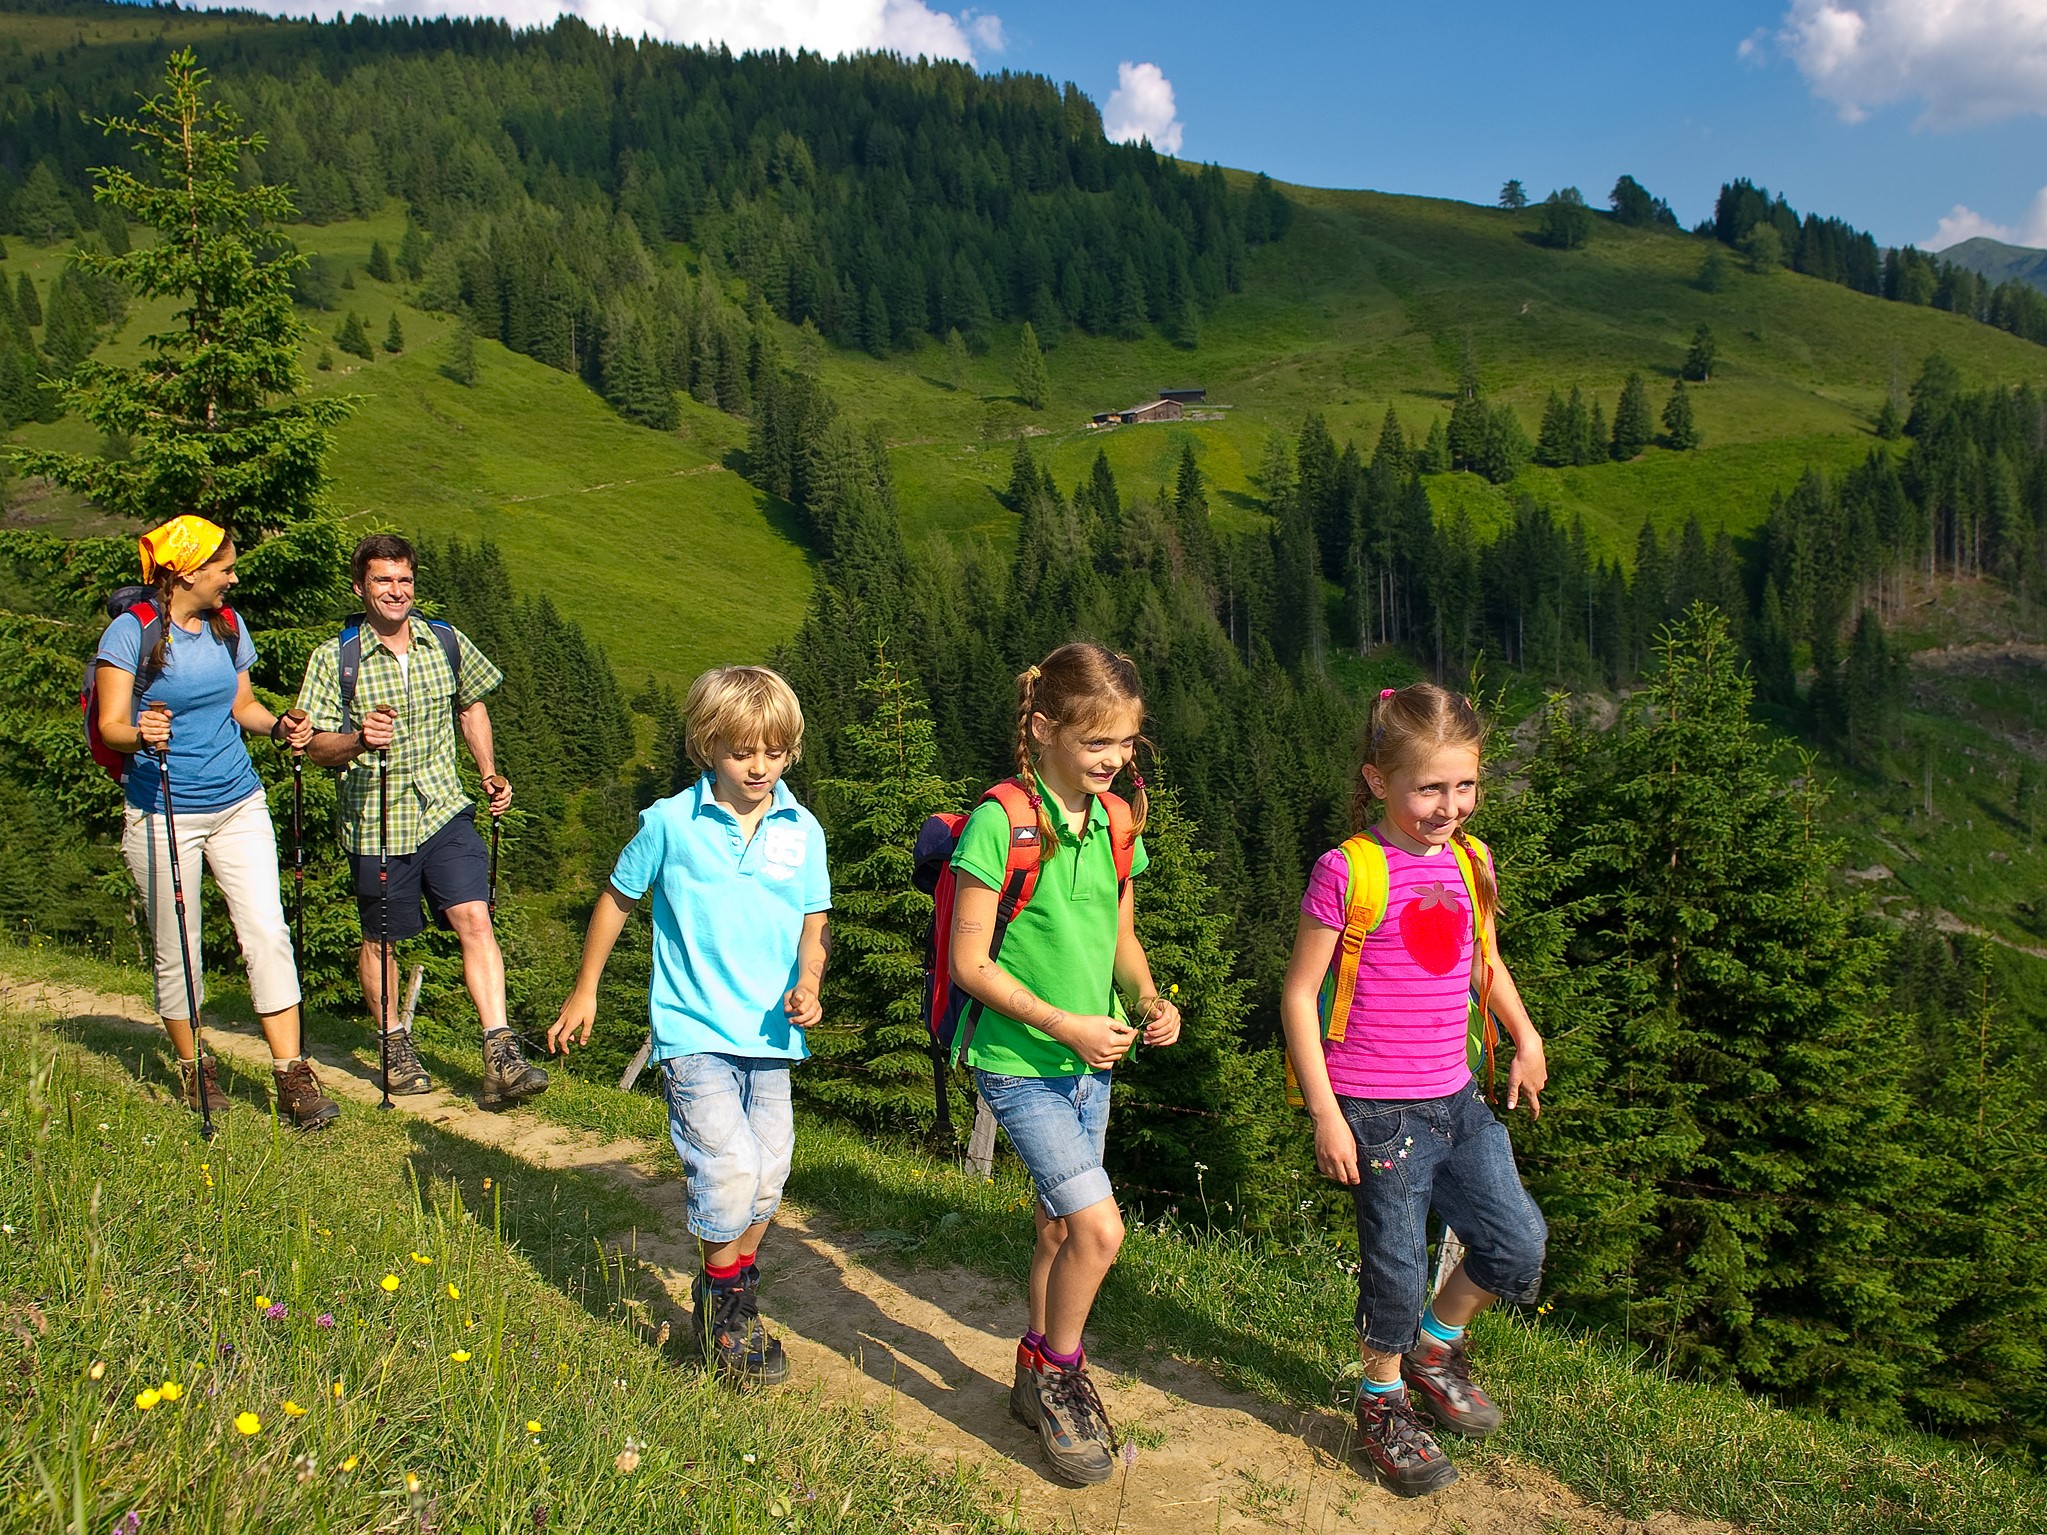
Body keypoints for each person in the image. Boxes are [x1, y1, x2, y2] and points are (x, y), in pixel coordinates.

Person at [1278, 684, 1548, 1498]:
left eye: (1463, 786)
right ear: (1375, 779)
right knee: (1393, 1267)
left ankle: (1434, 1350)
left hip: (1456, 1097)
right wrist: (1325, 1113)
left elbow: (1481, 963)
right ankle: (1382, 1398)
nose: (1447, 805)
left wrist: (1526, 1038)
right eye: (1428, 787)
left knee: (1516, 1244)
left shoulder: (1473, 859)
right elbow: (1298, 995)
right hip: (1375, 1109)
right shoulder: (1348, 869)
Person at [548, 665, 829, 1387]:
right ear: (708, 745)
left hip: (770, 1036)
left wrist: (810, 981)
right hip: (693, 1028)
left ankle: (725, 1285)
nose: (760, 766)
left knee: (768, 1174)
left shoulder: (802, 828)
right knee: (728, 1168)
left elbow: (813, 917)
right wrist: (586, 990)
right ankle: (727, 1306)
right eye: (743, 752)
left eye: (774, 750)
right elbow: (616, 899)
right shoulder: (669, 822)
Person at [947, 642, 1181, 1487]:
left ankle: (1028, 1368)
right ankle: (1062, 1374)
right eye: (1096, 744)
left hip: (1093, 1061)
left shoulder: (1116, 821)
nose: (1115, 760)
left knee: (1056, 1225)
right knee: (1097, 1228)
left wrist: (1149, 999)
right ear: (1043, 728)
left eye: (1125, 743)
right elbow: (971, 964)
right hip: (1018, 1061)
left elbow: (1118, 935)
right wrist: (1067, 1025)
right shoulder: (999, 822)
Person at [94, 515, 336, 1130]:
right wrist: (140, 732)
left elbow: (243, 706)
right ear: (186, 571)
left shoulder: (228, 626)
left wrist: (280, 725)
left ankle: (292, 1076)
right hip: (162, 808)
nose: (232, 579)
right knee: (180, 947)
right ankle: (194, 1063)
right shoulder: (132, 633)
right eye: (224, 568)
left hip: (237, 800)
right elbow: (111, 726)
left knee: (267, 931)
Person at [296, 533, 547, 1108]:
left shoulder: (446, 642)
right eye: (383, 580)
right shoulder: (336, 658)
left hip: (444, 808)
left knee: (475, 918)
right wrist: (359, 739)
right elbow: (315, 747)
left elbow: (471, 704)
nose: (396, 591)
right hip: (376, 819)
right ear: (360, 587)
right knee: (383, 940)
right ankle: (393, 1044)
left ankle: (500, 1051)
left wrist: (488, 770)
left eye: (404, 580)